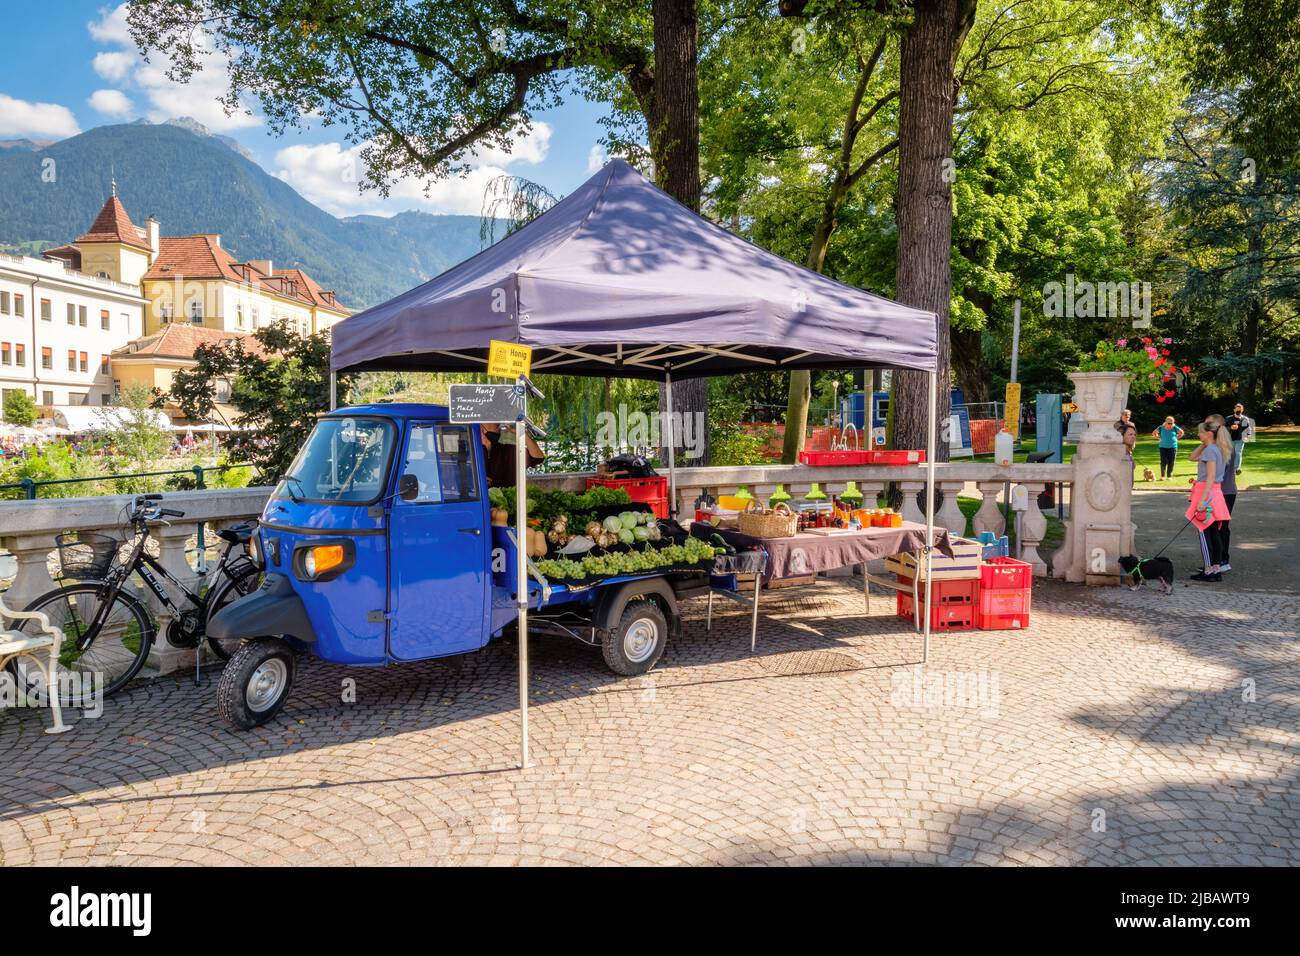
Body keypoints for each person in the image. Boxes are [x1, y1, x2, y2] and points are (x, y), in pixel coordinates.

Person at [1186, 420, 1231, 582]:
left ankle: (1208, 570)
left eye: (1201, 432)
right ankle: (1215, 570)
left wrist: (1202, 501)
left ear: (1209, 433)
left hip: (1207, 493)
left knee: (1205, 533)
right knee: (1214, 534)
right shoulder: (1214, 449)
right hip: (1214, 493)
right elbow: (1191, 457)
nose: (1198, 434)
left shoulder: (1211, 451)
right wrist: (1203, 444)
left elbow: (1211, 477)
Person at [1196, 413, 1239, 572]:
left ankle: (1221, 560)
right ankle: (1216, 561)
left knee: (1220, 528)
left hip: (1223, 491)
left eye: (1209, 424)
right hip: (1219, 491)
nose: (1205, 427)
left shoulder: (1221, 447)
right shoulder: (1215, 446)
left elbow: (1214, 475)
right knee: (1214, 528)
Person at [481, 422, 545, 487]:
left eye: (497, 428)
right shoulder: (472, 451)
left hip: (505, 495)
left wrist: (523, 434)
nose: (498, 430)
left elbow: (538, 458)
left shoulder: (509, 448)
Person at [1151, 416, 1184, 480]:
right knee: (1163, 461)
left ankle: (1169, 476)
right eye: (1169, 423)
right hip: (1163, 447)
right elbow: (1154, 433)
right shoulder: (1161, 427)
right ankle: (1163, 476)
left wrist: (1177, 438)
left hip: (1173, 447)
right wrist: (1158, 438)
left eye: (1172, 423)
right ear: (1165, 422)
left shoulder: (1174, 427)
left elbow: (1182, 432)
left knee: (1171, 461)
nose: (1170, 424)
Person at [1225, 403, 1250, 475]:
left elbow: (1248, 429)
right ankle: (1229, 468)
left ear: (1242, 410)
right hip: (1230, 439)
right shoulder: (1228, 418)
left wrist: (1247, 436)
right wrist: (1230, 428)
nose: (1238, 411)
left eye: (1240, 410)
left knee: (1238, 453)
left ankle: (1236, 469)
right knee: (1230, 454)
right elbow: (1223, 428)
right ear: (1234, 410)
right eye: (1237, 410)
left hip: (1240, 439)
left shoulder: (1245, 419)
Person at [1116, 408, 1137, 484]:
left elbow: (1134, 436)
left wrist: (1132, 445)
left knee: (1131, 467)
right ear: (1121, 415)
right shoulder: (1116, 424)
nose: (1127, 416)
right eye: (1126, 415)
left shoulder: (1132, 424)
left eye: (1129, 415)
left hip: (1129, 449)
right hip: (1119, 448)